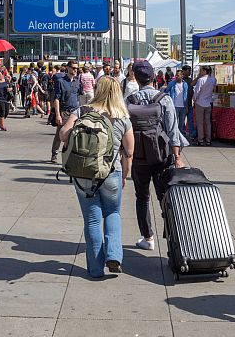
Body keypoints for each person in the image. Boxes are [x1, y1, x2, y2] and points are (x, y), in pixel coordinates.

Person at [59, 76, 134, 278]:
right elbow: (129, 152)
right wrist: (125, 175)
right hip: (111, 173)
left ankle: (95, 269)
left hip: (83, 173)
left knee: (92, 220)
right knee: (112, 213)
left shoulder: (81, 111)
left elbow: (64, 133)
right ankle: (114, 256)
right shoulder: (122, 117)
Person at [128, 60, 188, 251]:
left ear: (135, 78)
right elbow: (173, 131)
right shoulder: (164, 99)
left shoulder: (129, 100)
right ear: (154, 77)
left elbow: (124, 130)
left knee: (142, 197)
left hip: (139, 157)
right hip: (162, 156)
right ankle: (173, 237)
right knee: (166, 197)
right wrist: (177, 157)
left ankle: (148, 238)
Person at [51, 60, 83, 163]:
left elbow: (80, 95)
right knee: (60, 134)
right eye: (73, 68)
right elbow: (56, 99)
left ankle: (69, 154)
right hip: (64, 111)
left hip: (75, 111)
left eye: (76, 68)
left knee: (73, 134)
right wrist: (58, 115)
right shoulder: (61, 81)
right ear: (68, 68)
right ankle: (54, 154)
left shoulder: (77, 81)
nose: (75, 70)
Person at [192, 65, 217, 146]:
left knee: (200, 122)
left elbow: (197, 91)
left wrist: (194, 99)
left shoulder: (201, 80)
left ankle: (200, 140)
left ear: (205, 71)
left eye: (201, 70)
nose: (200, 72)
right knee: (208, 122)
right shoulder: (213, 80)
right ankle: (208, 140)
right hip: (209, 102)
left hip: (200, 102)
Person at [165, 69, 189, 138]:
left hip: (183, 106)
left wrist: (186, 106)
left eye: (178, 75)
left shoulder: (185, 84)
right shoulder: (172, 83)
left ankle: (180, 135)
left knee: (181, 122)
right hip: (174, 105)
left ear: (182, 76)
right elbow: (166, 91)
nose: (176, 76)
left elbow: (186, 96)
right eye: (176, 75)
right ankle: (174, 135)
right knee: (174, 121)